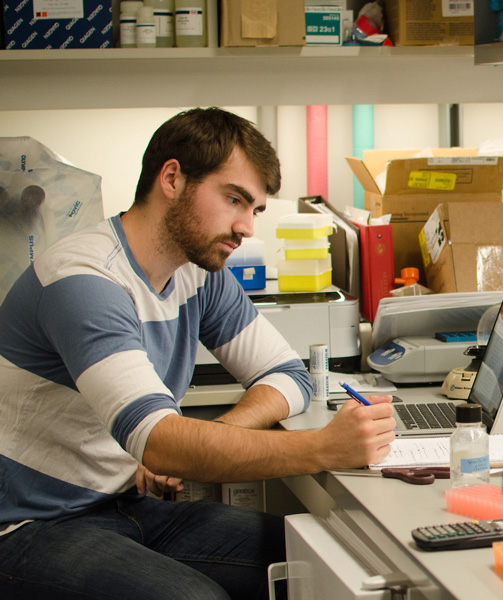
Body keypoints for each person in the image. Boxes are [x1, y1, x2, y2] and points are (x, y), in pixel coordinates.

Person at [0, 107, 397, 599]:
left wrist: (216, 434)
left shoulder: (196, 272)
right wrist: (320, 449)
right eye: (234, 199)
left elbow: (288, 374)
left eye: (254, 210)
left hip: (123, 506)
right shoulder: (85, 280)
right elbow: (161, 441)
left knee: (318, 557)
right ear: (172, 178)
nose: (246, 227)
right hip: (28, 526)